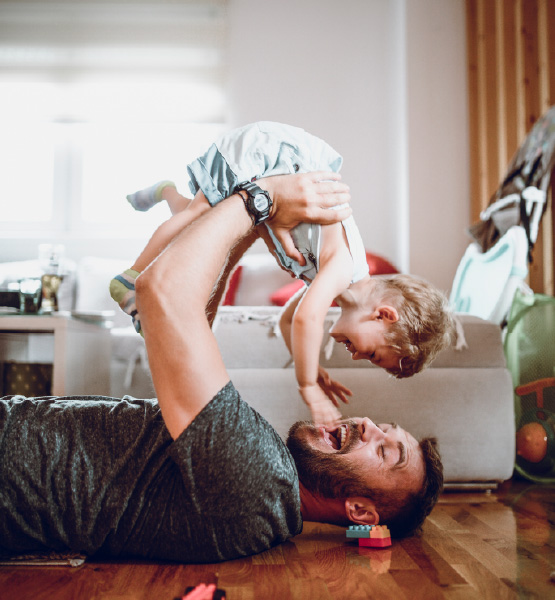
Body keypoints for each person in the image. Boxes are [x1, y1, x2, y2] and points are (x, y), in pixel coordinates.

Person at [0, 174, 444, 563]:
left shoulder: (256, 478)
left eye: (386, 452)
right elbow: (194, 322)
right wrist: (253, 229)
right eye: (385, 427)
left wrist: (262, 198)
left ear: (360, 512)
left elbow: (160, 293)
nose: (369, 425)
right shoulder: (266, 495)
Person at [112, 122, 456, 425]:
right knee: (197, 218)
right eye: (372, 354)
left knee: (196, 217)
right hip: (267, 156)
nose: (356, 355)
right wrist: (307, 387)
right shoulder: (344, 268)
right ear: (383, 315)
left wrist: (312, 366)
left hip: (270, 172)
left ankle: (163, 191)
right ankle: (131, 277)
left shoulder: (339, 287)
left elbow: (288, 322)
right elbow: (307, 319)